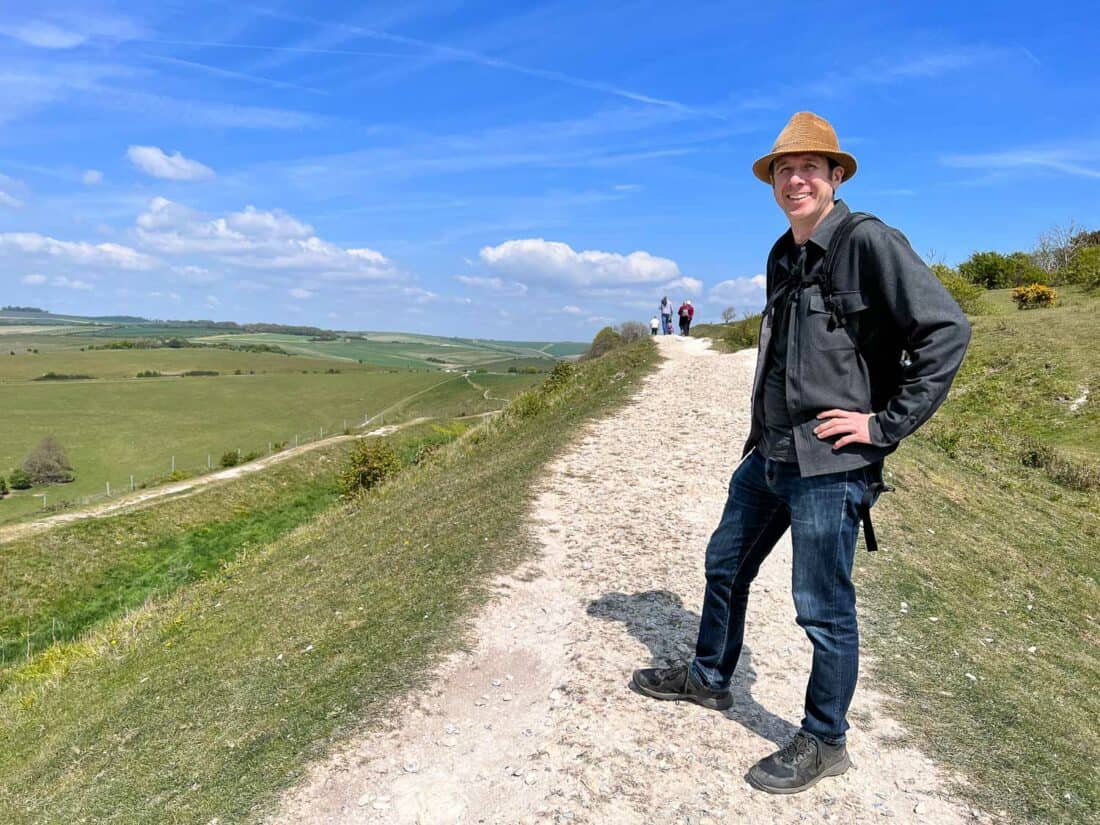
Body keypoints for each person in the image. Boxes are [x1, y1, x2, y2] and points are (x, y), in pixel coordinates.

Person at [632, 112, 971, 794]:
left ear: (835, 175)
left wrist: (883, 426)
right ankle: (709, 676)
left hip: (831, 463)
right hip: (771, 452)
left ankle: (824, 738)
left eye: (811, 167)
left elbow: (947, 331)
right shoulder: (782, 254)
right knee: (724, 561)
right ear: (773, 182)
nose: (797, 178)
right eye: (785, 169)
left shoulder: (868, 241)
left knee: (821, 604)